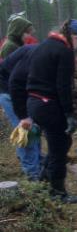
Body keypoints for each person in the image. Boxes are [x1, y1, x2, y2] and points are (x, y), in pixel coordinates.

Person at [26, 20, 77, 203]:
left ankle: (44, 181)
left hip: (34, 102)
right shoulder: (64, 50)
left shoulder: (44, 45)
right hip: (48, 104)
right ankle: (58, 193)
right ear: (74, 36)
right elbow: (63, 86)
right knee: (59, 146)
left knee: (60, 143)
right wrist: (69, 114)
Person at [1, 44, 41, 180]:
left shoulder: (34, 51)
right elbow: (14, 81)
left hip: (16, 90)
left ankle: (37, 162)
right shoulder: (35, 55)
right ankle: (31, 172)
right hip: (10, 92)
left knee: (33, 127)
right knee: (25, 129)